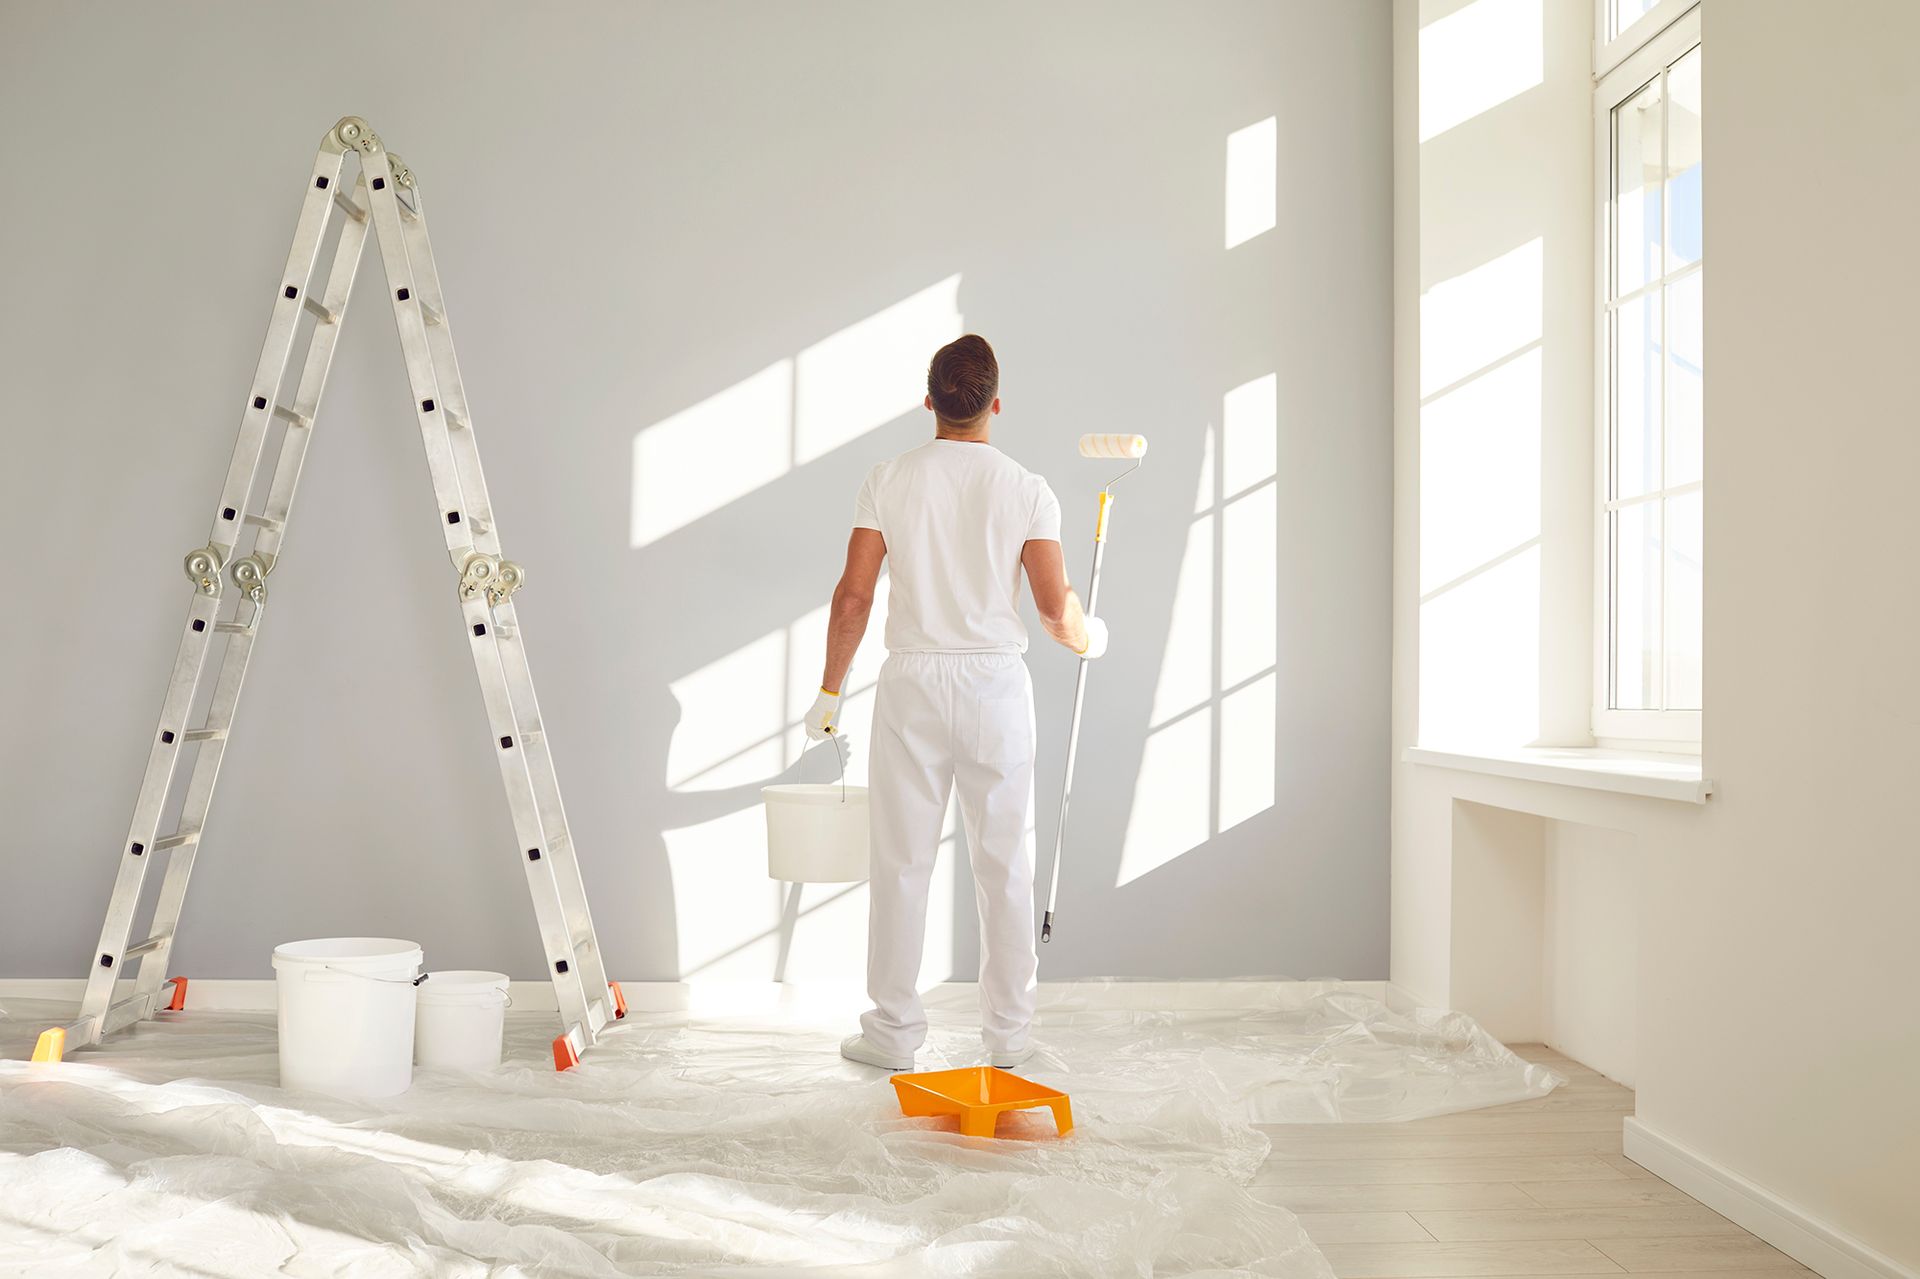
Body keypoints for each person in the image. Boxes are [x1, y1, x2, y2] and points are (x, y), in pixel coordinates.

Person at [804, 334, 1109, 1071]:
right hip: (994, 688)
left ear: (930, 401)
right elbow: (1053, 608)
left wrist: (829, 690)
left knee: (901, 860)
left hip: (912, 682)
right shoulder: (1028, 487)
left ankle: (893, 1034)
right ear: (994, 404)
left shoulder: (889, 478)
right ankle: (1007, 1040)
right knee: (1005, 862)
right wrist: (1089, 637)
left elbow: (854, 595)